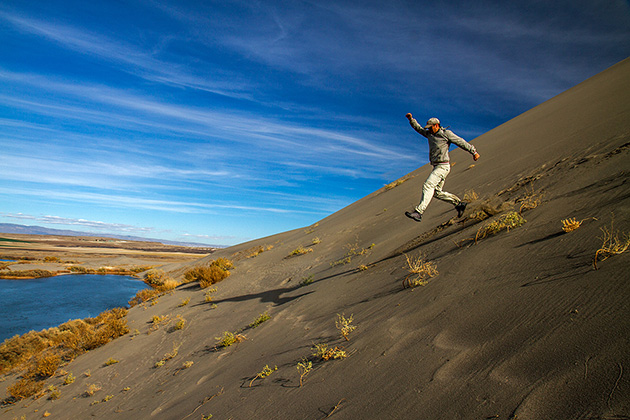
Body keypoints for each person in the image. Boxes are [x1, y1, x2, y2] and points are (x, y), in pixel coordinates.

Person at [404, 113, 480, 222]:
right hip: (436, 167)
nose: (429, 130)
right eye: (428, 128)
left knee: (428, 185)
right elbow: (419, 129)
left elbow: (460, 142)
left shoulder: (445, 134)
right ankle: (459, 204)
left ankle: (418, 212)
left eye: (431, 128)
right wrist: (411, 120)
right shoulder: (429, 134)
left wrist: (473, 152)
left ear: (436, 125)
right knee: (436, 193)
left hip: (443, 166)